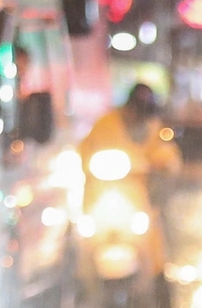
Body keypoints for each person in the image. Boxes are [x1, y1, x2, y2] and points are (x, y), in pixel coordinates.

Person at [77, 84, 180, 290]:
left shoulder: (153, 128)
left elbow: (166, 153)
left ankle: (158, 284)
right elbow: (84, 150)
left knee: (155, 239)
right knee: (82, 241)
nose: (139, 117)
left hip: (136, 197)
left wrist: (163, 164)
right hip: (101, 195)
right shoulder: (105, 124)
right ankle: (81, 283)